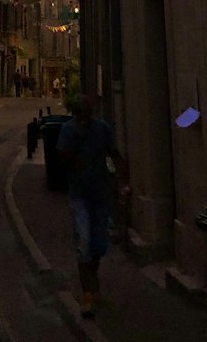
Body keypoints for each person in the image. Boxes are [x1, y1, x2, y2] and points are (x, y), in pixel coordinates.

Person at [56, 95, 129, 319]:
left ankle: (92, 281)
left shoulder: (102, 129)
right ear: (75, 114)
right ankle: (87, 294)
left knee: (98, 244)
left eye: (87, 115)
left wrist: (123, 182)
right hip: (79, 195)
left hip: (100, 194)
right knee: (84, 241)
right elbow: (62, 158)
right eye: (81, 115)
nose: (84, 119)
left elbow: (114, 154)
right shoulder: (68, 131)